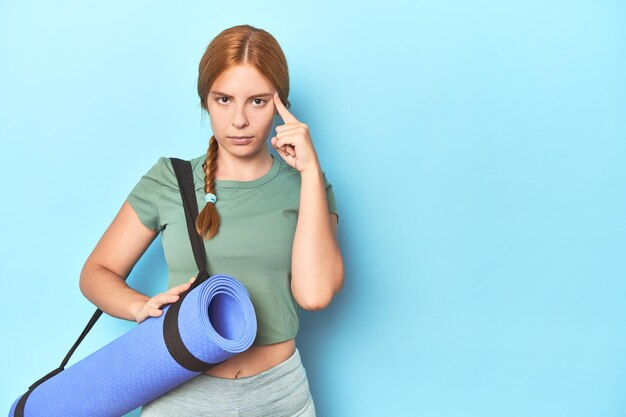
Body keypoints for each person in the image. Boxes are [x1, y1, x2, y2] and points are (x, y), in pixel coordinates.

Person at [78, 24, 344, 416]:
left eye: (257, 101)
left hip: (279, 397)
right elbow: (95, 272)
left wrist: (308, 172)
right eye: (223, 99)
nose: (239, 120)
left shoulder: (308, 185)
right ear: (205, 100)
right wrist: (139, 307)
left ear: (281, 104)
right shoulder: (170, 180)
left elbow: (315, 294)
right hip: (182, 393)